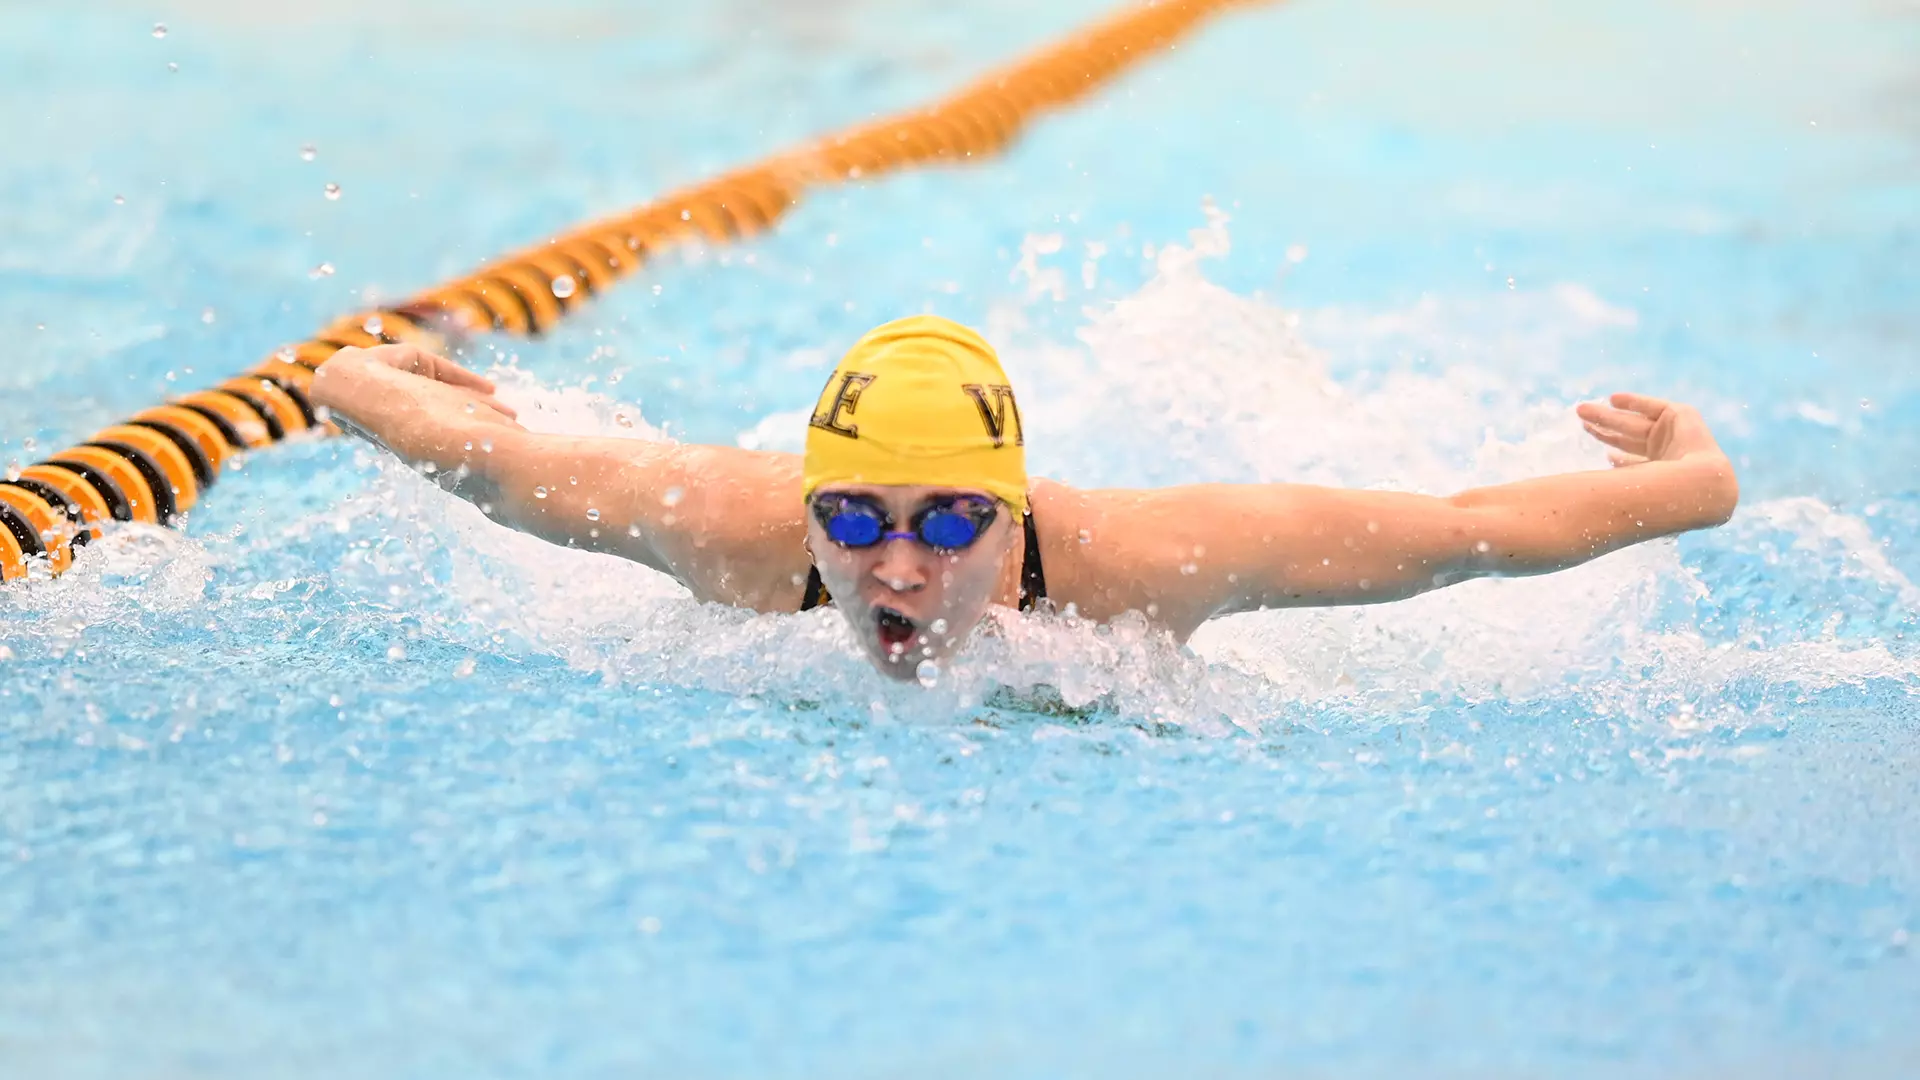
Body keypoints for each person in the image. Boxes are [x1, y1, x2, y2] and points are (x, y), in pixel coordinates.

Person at [310, 315, 1740, 681]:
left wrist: (1693, 477)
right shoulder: (735, 530)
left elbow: (1464, 537)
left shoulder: (1157, 560)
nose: (900, 568)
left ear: (1018, 512)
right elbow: (472, 455)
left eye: (951, 521)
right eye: (859, 519)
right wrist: (381, 372)